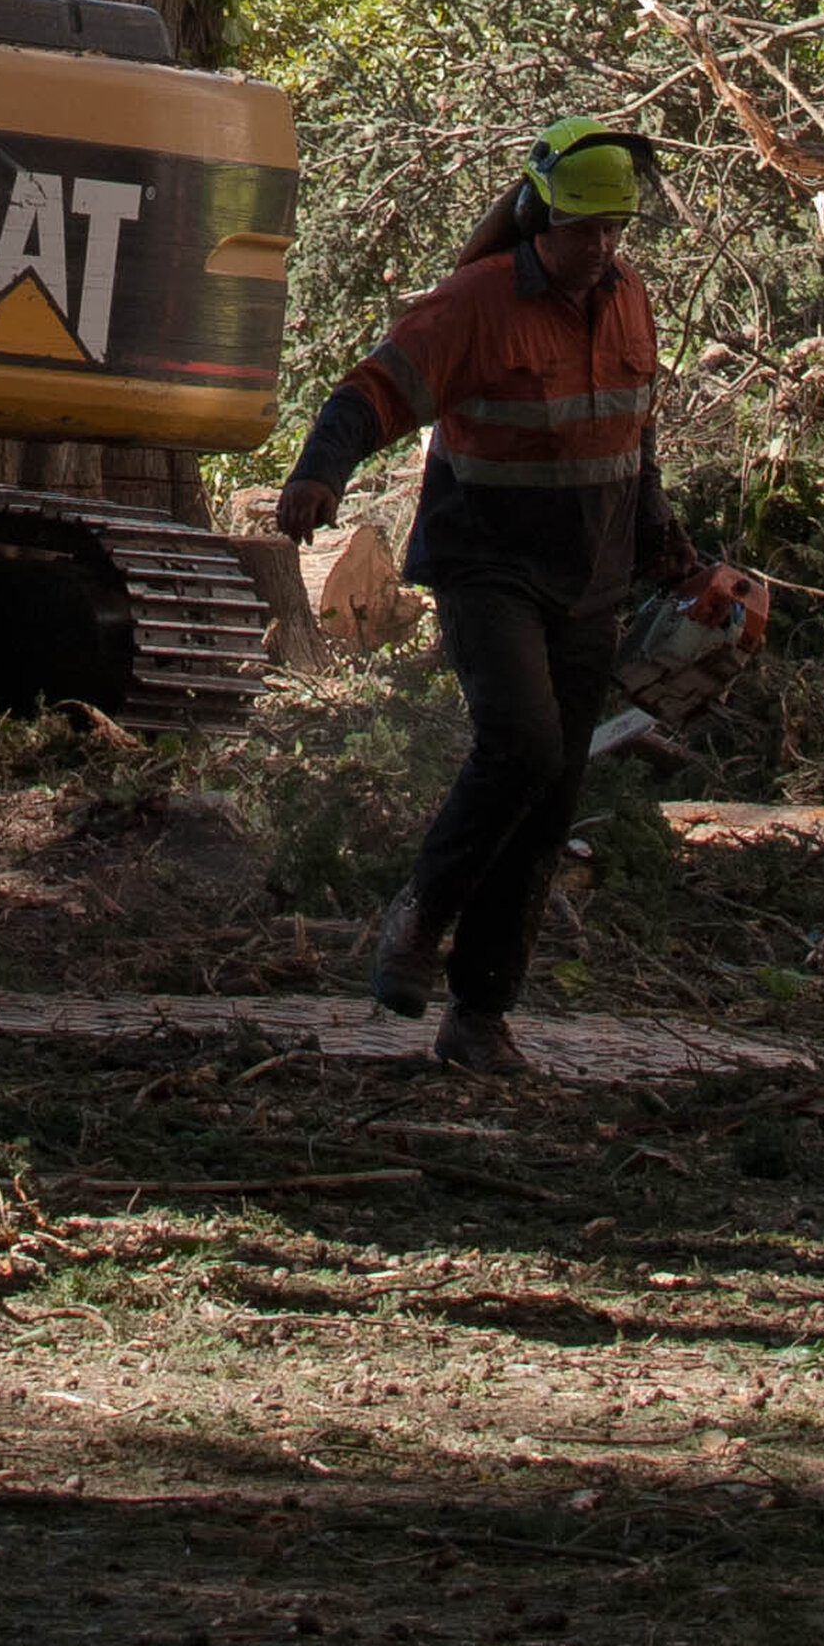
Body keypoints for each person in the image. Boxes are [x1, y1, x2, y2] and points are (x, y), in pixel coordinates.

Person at [272, 114, 703, 1075]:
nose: (599, 249)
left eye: (613, 231)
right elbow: (372, 390)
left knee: (550, 800)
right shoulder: (474, 303)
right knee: (522, 746)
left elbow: (634, 439)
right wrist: (317, 472)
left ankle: (478, 1016)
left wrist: (665, 546)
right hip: (488, 567)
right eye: (582, 229)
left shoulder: (629, 299)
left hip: (589, 584)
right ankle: (419, 913)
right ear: (538, 213)